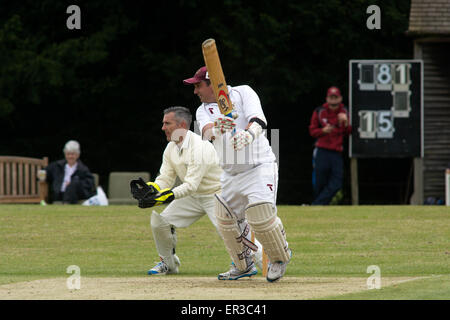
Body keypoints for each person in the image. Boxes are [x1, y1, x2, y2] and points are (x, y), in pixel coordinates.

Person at [183, 66, 292, 282]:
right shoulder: (202, 110)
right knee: (225, 217)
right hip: (230, 174)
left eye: (198, 85)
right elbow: (206, 133)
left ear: (212, 83)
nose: (195, 91)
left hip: (258, 167)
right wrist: (217, 126)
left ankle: (279, 258)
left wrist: (248, 135)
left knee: (260, 216)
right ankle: (243, 266)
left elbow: (259, 120)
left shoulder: (243, 92)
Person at [132, 106, 262, 275]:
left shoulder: (199, 147)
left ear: (182, 125)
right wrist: (152, 188)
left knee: (231, 231)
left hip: (218, 195)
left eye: (167, 123)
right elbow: (165, 178)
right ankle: (168, 264)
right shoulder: (171, 147)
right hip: (193, 197)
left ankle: (270, 260)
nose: (163, 127)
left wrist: (160, 199)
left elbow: (190, 184)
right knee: (160, 222)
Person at [309, 86, 352, 205]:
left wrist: (346, 122)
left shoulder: (345, 112)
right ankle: (319, 205)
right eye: (331, 97)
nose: (333, 100)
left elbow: (349, 132)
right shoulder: (319, 111)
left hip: (336, 152)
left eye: (336, 97)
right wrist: (323, 131)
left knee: (337, 183)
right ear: (327, 98)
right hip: (321, 150)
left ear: (340, 98)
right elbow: (312, 131)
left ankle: (316, 204)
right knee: (319, 182)